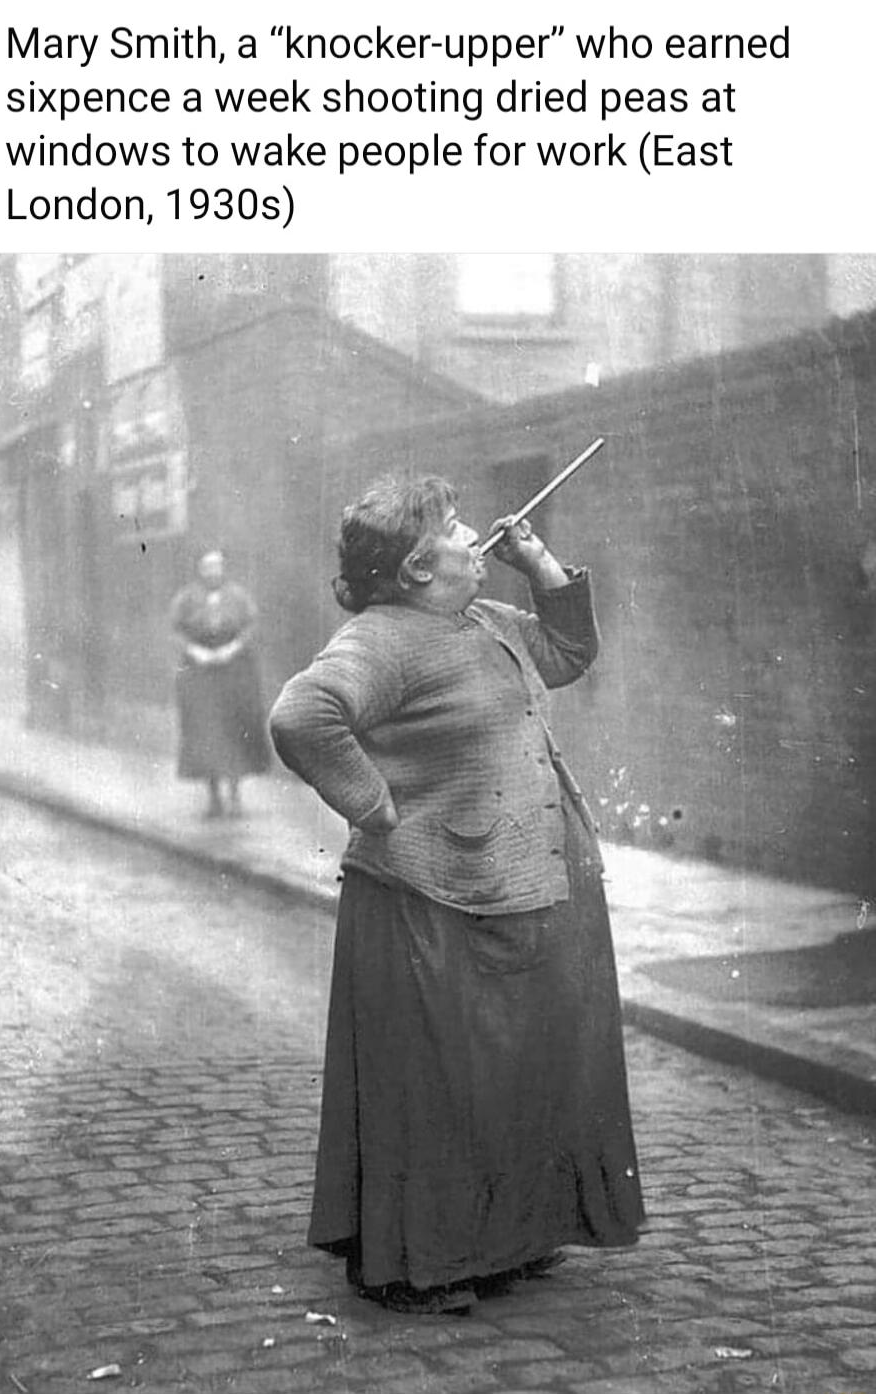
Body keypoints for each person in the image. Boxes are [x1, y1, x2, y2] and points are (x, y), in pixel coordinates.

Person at [269, 476, 645, 1315]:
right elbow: (303, 716)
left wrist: (537, 562)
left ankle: (505, 1241)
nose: (477, 535)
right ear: (412, 568)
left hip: (520, 879)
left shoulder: (481, 618)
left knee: (516, 1069)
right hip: (430, 896)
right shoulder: (382, 641)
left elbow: (570, 655)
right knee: (439, 1083)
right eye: (454, 528)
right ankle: (419, 1265)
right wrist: (376, 807)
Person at [171, 549, 271, 818]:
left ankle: (235, 797)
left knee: (236, 729)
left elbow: (251, 625)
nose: (212, 572)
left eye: (217, 567)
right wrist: (195, 651)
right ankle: (214, 798)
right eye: (207, 567)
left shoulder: (238, 597)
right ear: (200, 570)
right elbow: (176, 630)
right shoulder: (187, 598)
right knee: (206, 732)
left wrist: (234, 648)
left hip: (233, 670)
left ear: (223, 569)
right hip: (201, 672)